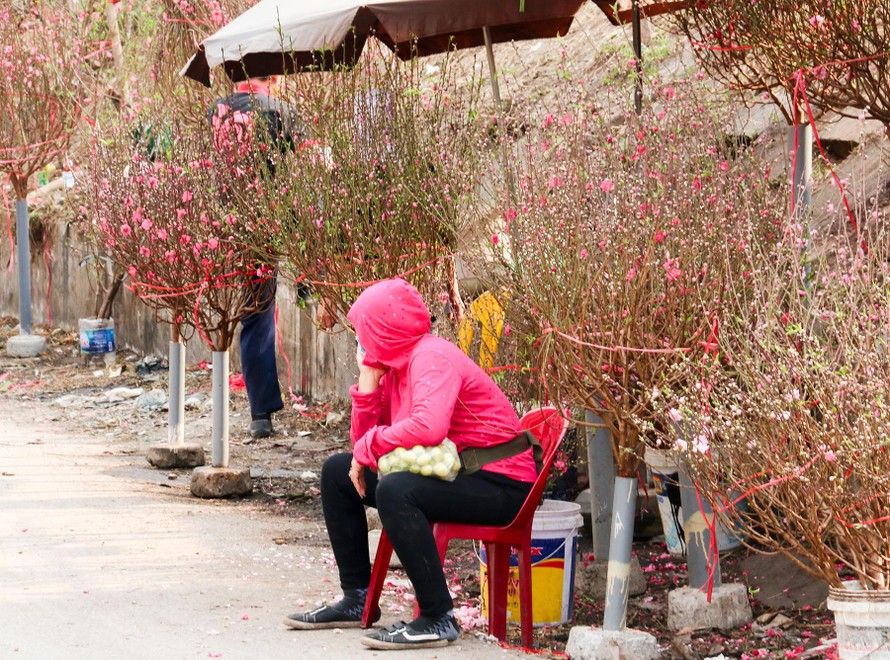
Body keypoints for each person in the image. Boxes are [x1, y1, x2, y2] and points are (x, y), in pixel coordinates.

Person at [283, 278, 539, 650]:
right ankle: (356, 598)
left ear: (384, 330)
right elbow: (361, 445)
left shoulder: (430, 358)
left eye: (363, 331)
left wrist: (369, 445)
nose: (359, 341)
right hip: (461, 474)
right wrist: (368, 382)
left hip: (502, 484)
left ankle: (438, 617)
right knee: (338, 473)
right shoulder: (397, 367)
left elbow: (428, 428)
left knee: (397, 490)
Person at [207, 76, 297, 439]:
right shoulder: (279, 109)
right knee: (259, 313)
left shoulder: (216, 110)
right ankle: (261, 412)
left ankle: (261, 409)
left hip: (226, 222)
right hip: (266, 221)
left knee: (250, 311)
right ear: (272, 77)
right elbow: (309, 159)